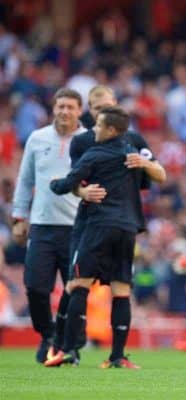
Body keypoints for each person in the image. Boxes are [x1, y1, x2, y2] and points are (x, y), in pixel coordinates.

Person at [49, 85, 166, 362]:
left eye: (104, 107)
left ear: (114, 107)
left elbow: (159, 174)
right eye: (95, 107)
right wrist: (83, 192)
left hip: (99, 223)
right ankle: (80, 350)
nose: (98, 112)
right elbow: (79, 184)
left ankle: (69, 350)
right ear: (89, 109)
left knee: (81, 283)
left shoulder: (132, 141)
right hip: (113, 222)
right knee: (106, 286)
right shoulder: (82, 141)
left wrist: (145, 165)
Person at [11, 88, 86, 363]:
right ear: (53, 109)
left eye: (70, 107)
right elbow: (25, 179)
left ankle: (70, 344)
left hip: (77, 227)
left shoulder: (89, 140)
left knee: (75, 290)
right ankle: (48, 334)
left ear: (80, 110)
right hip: (42, 225)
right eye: (60, 106)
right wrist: (19, 216)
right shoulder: (37, 138)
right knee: (35, 287)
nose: (64, 111)